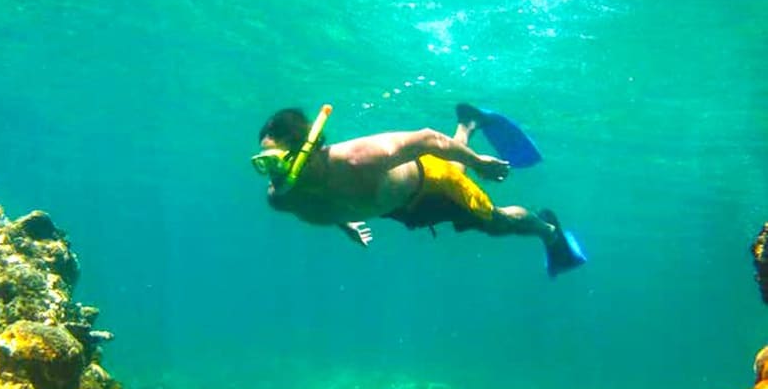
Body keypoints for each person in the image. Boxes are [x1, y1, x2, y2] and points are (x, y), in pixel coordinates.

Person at [251, 103, 586, 276]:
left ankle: (549, 231)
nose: (273, 174)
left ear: (305, 152)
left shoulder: (361, 158)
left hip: (431, 183)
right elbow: (325, 199)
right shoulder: (284, 197)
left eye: (276, 161)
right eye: (263, 163)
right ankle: (469, 122)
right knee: (457, 170)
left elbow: (428, 139)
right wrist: (346, 222)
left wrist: (481, 164)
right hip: (396, 206)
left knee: (496, 223)